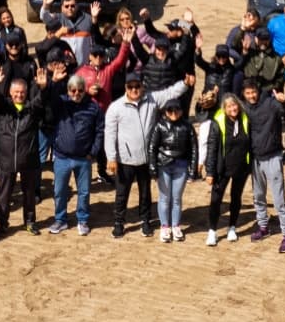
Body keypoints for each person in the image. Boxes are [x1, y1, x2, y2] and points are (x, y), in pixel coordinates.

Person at [45, 71, 103, 235]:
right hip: (62, 156)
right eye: (72, 90)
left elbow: (100, 131)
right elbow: (50, 99)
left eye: (80, 90)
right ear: (68, 91)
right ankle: (60, 219)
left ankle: (83, 220)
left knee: (84, 192)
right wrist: (54, 82)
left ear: (85, 90)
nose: (76, 93)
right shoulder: (62, 103)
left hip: (84, 158)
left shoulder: (94, 107)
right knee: (60, 191)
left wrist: (93, 152)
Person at [0, 73, 44, 234]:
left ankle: (30, 221)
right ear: (11, 93)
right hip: (7, 159)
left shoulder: (31, 109)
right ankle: (2, 223)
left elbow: (42, 100)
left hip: (28, 159)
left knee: (29, 194)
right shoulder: (5, 108)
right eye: (16, 92)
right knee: (4, 195)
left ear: (26, 93)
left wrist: (44, 87)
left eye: (22, 93)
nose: (19, 95)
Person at [102, 75, 158, 238]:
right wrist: (111, 157)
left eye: (137, 86)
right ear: (126, 87)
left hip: (145, 157)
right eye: (130, 86)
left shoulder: (150, 102)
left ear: (142, 86)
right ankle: (119, 222)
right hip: (124, 158)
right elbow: (110, 134)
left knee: (145, 192)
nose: (134, 90)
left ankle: (146, 220)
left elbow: (169, 96)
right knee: (122, 192)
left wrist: (184, 85)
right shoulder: (116, 107)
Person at [199, 93, 253, 245]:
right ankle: (212, 231)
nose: (233, 108)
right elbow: (211, 148)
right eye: (229, 106)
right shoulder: (217, 123)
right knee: (216, 199)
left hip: (241, 167)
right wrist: (210, 172)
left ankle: (232, 228)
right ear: (224, 109)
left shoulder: (245, 119)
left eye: (234, 105)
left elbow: (250, 143)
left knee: (236, 198)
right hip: (221, 168)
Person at [242, 76, 285, 241]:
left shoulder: (270, 104)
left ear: (258, 91)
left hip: (273, 156)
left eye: (253, 92)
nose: (251, 96)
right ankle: (263, 227)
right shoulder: (245, 109)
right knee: (258, 196)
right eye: (248, 93)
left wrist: (284, 102)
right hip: (256, 159)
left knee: (279, 199)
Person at [149, 97, 195, 243]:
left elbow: (194, 149)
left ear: (181, 111)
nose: (174, 113)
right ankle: (164, 226)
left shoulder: (187, 127)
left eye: (177, 110)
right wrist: (153, 168)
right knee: (164, 197)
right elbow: (152, 148)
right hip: (164, 165)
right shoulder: (160, 126)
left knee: (176, 198)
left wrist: (193, 170)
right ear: (166, 112)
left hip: (181, 165)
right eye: (170, 110)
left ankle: (175, 225)